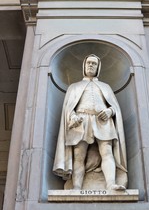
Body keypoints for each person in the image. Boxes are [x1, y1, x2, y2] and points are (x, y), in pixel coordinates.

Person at [53, 54, 127, 190]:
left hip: (102, 120)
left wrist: (110, 111)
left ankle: (110, 184)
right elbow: (68, 107)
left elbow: (114, 106)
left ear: (98, 67)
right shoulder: (74, 87)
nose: (91, 65)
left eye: (94, 64)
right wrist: (73, 116)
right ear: (84, 66)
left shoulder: (105, 86)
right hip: (81, 121)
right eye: (89, 63)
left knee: (107, 151)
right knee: (78, 155)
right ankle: (76, 187)